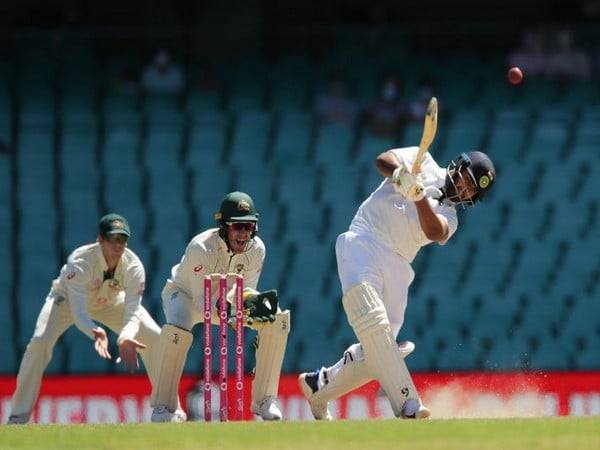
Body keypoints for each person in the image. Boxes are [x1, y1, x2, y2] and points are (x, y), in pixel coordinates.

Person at [298, 146, 496, 420]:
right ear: (458, 167)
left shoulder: (451, 217)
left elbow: (434, 232)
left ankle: (317, 385)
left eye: (472, 192)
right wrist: (402, 175)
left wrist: (418, 196)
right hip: (365, 240)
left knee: (378, 350)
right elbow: (382, 160)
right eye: (467, 182)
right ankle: (407, 404)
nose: (465, 191)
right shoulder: (422, 159)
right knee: (373, 323)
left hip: (399, 265)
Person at [7, 214, 185, 424]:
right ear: (100, 239)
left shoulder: (134, 266)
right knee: (40, 341)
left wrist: (125, 336)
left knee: (155, 339)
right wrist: (94, 330)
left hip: (111, 302)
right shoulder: (80, 261)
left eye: (122, 239)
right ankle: (18, 415)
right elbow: (79, 312)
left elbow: (132, 311)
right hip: (66, 301)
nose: (118, 245)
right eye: (112, 239)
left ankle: (171, 411)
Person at [150, 191, 291, 422]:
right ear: (224, 226)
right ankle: (164, 407)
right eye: (238, 227)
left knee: (278, 319)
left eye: (249, 227)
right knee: (177, 331)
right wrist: (225, 308)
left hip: (229, 302)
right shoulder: (200, 247)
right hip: (186, 296)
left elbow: (247, 291)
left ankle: (264, 401)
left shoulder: (257, 249)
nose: (244, 234)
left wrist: (242, 310)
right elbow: (199, 301)